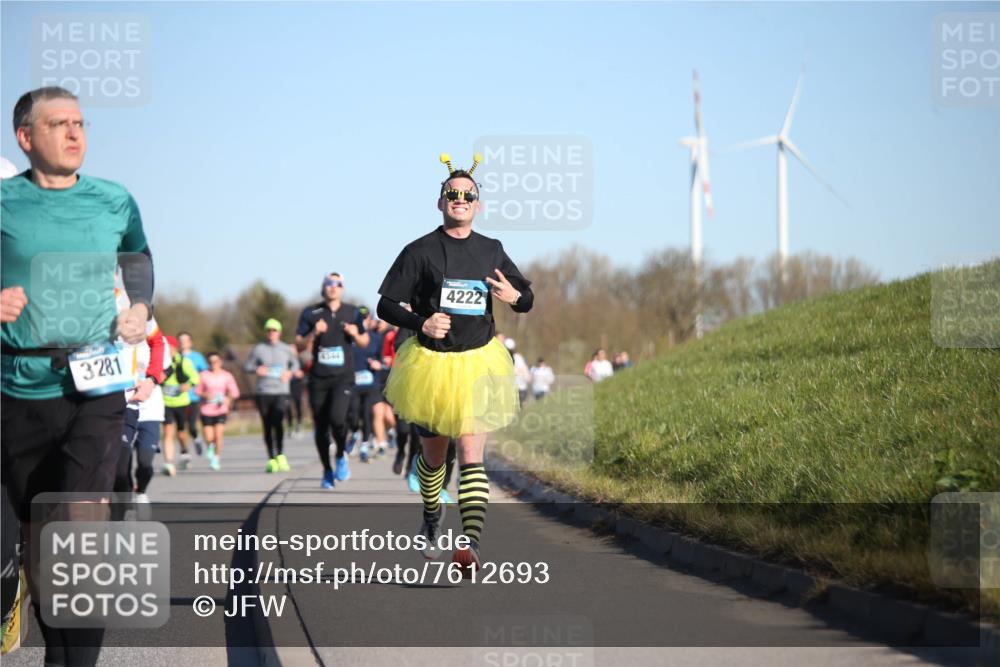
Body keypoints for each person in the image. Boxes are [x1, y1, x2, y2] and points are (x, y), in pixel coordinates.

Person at [1, 86, 154, 667]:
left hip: (95, 384)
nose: (74, 134)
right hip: (18, 388)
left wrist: (138, 308)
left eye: (80, 123)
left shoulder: (114, 200)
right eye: (59, 124)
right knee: (40, 544)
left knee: (81, 532)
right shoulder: (4, 204)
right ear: (25, 138)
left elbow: (139, 259)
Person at [377, 152, 533, 572]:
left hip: (479, 362)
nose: (460, 198)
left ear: (477, 205)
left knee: (471, 453)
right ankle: (431, 517)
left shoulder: (492, 250)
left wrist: (516, 298)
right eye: (452, 193)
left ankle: (470, 542)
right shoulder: (420, 250)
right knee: (433, 457)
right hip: (431, 366)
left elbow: (525, 298)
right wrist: (421, 322)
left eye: (468, 194)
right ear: (441, 201)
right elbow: (385, 306)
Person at [295, 273, 369, 489]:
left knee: (338, 419)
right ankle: (327, 471)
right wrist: (313, 334)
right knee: (320, 427)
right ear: (323, 288)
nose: (333, 287)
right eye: (329, 284)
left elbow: (364, 341)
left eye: (337, 284)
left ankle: (340, 455)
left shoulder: (352, 312)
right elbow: (298, 344)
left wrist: (355, 333)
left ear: (343, 288)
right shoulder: (311, 313)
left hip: (343, 377)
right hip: (318, 378)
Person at [112, 268, 167, 502]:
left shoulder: (132, 304)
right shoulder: (70, 302)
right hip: (84, 399)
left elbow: (158, 343)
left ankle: (119, 524)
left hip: (126, 400)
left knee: (120, 469)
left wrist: (152, 380)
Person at [245, 319, 299, 472]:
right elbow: (247, 366)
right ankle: (271, 458)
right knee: (267, 425)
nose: (271, 333)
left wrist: (289, 373)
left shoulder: (286, 349)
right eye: (269, 330)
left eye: (274, 330)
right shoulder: (258, 348)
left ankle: (280, 454)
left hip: (281, 391)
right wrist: (256, 369)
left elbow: (295, 365)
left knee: (278, 421)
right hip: (263, 391)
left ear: (279, 332)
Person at [161, 336, 201, 475]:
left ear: (174, 348)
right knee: (167, 432)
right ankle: (169, 462)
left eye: (169, 348)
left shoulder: (184, 362)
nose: (166, 351)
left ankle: (184, 452)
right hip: (165, 402)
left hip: (182, 402)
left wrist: (188, 385)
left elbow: (196, 378)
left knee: (181, 432)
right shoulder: (160, 362)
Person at [198, 351, 240, 470]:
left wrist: (228, 398)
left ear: (220, 362)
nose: (213, 364)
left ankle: (216, 459)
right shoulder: (203, 375)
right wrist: (206, 395)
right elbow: (197, 391)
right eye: (211, 362)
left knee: (218, 434)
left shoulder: (227, 375)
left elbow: (235, 392)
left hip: (221, 409)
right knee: (209, 436)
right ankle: (210, 446)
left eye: (215, 361)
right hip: (206, 409)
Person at [178, 332, 209, 454]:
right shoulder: (175, 357)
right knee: (181, 428)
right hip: (178, 398)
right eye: (180, 340)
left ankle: (196, 438)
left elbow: (205, 375)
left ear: (190, 343)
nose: (182, 343)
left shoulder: (198, 357)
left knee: (191, 425)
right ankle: (184, 452)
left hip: (193, 397)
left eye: (185, 340)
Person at [506, 338, 530, 406]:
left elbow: (524, 370)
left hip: (518, 387)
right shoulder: (518, 357)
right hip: (518, 387)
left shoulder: (517, 357)